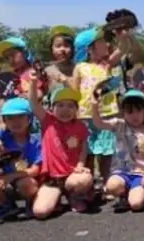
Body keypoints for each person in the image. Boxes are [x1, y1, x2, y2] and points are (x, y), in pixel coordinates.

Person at [71, 27, 130, 194]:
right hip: (85, 114)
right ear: (90, 48)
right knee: (87, 151)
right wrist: (74, 114)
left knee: (107, 151)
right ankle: (87, 184)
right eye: (102, 42)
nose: (106, 44)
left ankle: (107, 182)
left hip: (107, 113)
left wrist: (122, 37)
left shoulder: (108, 64)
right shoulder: (80, 67)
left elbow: (123, 49)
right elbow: (75, 92)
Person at [27, 73, 94, 218]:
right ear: (51, 108)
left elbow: (83, 148)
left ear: (76, 109)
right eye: (60, 105)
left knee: (84, 179)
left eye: (70, 106)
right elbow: (33, 103)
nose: (65, 110)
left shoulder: (80, 125)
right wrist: (33, 83)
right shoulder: (48, 121)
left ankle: (74, 195)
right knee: (40, 212)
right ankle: (57, 197)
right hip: (52, 178)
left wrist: (81, 164)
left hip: (72, 174)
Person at [90, 89, 144, 212]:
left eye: (139, 111)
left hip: (142, 174)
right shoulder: (120, 125)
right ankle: (123, 195)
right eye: (130, 112)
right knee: (112, 186)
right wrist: (94, 106)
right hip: (122, 172)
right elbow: (99, 123)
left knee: (136, 204)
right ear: (123, 112)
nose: (135, 115)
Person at [0, 98, 42, 219]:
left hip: (23, 180)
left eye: (20, 116)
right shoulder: (2, 136)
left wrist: (10, 176)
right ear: (4, 121)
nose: (16, 121)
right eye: (10, 118)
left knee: (26, 183)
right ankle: (7, 205)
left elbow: (35, 170)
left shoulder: (36, 141)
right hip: (3, 181)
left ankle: (29, 203)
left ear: (29, 118)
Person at [43, 25, 76, 93]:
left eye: (66, 46)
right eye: (58, 46)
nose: (62, 49)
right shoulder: (47, 72)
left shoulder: (79, 69)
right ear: (52, 49)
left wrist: (65, 81)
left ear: (72, 48)